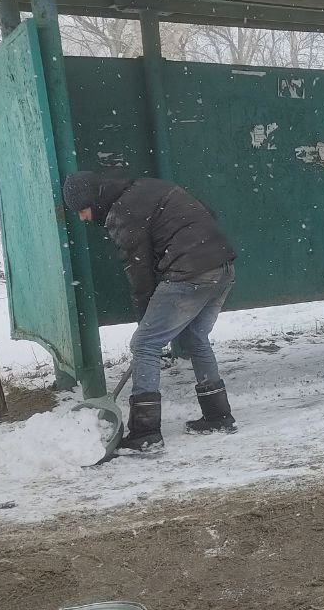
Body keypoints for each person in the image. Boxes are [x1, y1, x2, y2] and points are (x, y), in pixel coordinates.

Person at [61, 171, 238, 451]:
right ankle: (218, 415)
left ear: (94, 200)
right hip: (222, 266)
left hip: (190, 273)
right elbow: (207, 212)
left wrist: (146, 320)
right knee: (194, 338)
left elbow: (139, 270)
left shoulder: (122, 213)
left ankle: (145, 433)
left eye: (82, 210)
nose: (82, 217)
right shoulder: (149, 187)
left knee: (145, 344)